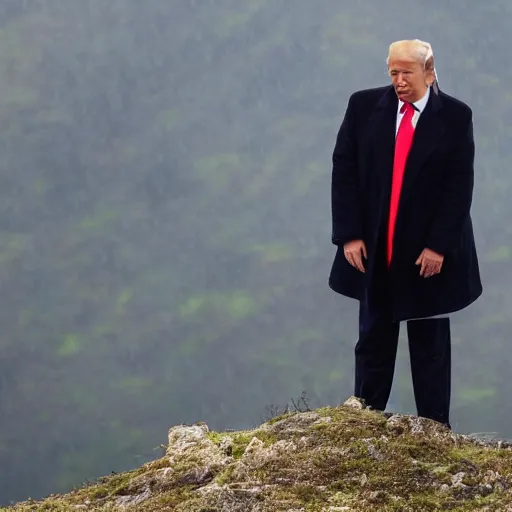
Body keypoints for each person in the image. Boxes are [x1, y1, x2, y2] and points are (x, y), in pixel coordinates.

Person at [328, 39, 482, 429]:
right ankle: (362, 425)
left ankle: (435, 430)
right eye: (393, 72)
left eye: (406, 73)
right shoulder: (364, 108)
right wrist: (349, 234)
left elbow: (458, 187)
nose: (398, 80)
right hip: (376, 247)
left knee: (429, 345)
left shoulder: (455, 117)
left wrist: (438, 246)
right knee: (373, 340)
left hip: (427, 254)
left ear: (429, 72)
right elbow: (343, 169)